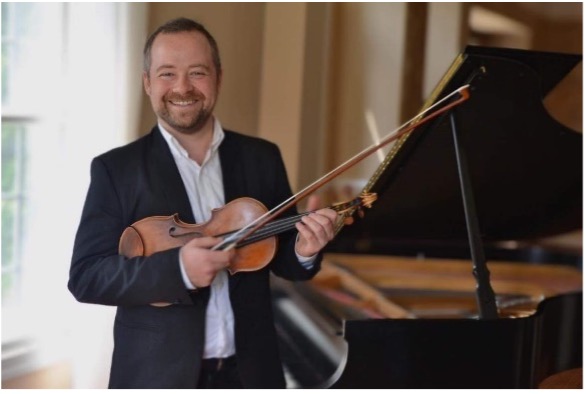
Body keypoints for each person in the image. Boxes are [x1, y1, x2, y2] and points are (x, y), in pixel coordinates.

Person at [68, 17, 337, 389]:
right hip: (158, 376)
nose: (182, 87)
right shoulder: (116, 170)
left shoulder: (262, 158)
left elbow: (285, 260)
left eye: (197, 72)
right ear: (147, 82)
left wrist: (305, 248)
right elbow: (86, 277)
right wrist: (178, 271)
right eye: (166, 73)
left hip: (250, 374)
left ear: (218, 79)